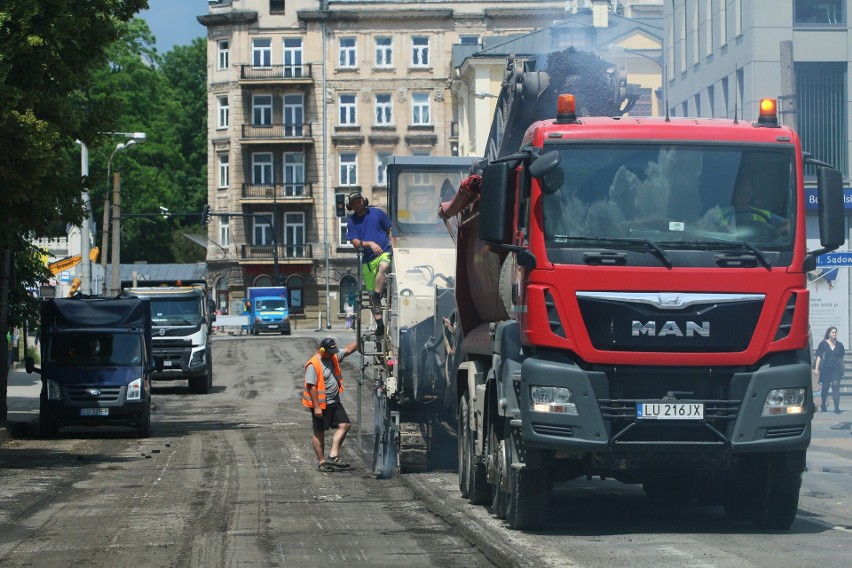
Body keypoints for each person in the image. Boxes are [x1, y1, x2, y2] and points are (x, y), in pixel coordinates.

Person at [345, 191, 392, 338]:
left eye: (358, 201)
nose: (357, 204)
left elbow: (389, 229)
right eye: (353, 203)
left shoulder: (377, 213)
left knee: (384, 267)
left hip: (384, 251)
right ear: (351, 206)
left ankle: (378, 295)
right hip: (367, 260)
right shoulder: (352, 222)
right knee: (371, 296)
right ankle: (379, 325)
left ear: (363, 201)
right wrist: (370, 243)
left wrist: (392, 245)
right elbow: (355, 243)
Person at [303, 338, 353, 471]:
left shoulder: (333, 356)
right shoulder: (313, 364)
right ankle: (322, 462)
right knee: (319, 432)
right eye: (330, 352)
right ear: (322, 350)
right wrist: (317, 407)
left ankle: (333, 455)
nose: (332, 355)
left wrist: (362, 339)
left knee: (345, 425)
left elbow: (348, 350)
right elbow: (311, 386)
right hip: (321, 405)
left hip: (334, 402)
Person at [723, 173, 789, 233]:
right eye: (741, 188)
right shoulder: (719, 214)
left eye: (748, 186)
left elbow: (789, 225)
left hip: (761, 246)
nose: (746, 188)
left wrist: (777, 232)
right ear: (733, 192)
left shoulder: (765, 214)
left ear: (751, 193)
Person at [814, 326, 845, 414]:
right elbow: (819, 356)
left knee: (835, 385)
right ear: (829, 334)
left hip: (836, 369)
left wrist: (843, 368)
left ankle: (837, 408)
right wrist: (816, 368)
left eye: (835, 332)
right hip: (826, 369)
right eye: (833, 332)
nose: (834, 334)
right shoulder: (823, 343)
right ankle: (823, 404)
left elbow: (841, 358)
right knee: (825, 389)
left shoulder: (839, 345)